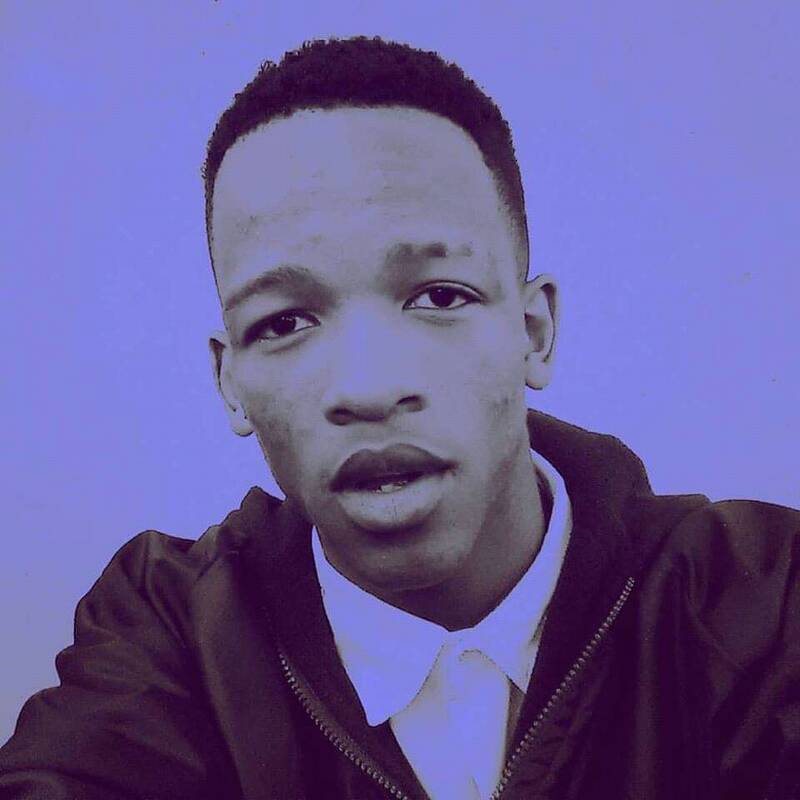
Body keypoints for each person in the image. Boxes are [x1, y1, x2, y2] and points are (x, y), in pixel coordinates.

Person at [1, 35, 798, 800]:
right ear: (230, 381)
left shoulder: (762, 599)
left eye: (440, 297)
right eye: (283, 322)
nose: (369, 388)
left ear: (534, 332)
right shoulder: (172, 634)